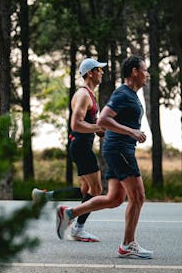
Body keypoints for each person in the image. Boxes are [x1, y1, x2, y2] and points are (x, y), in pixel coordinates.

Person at [55, 55, 153, 259]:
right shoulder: (122, 93)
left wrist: (110, 132)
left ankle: (70, 214)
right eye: (144, 70)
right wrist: (131, 132)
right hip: (118, 149)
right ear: (134, 72)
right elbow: (103, 119)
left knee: (114, 198)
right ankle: (128, 244)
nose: (147, 74)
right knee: (138, 196)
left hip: (116, 147)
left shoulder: (130, 95)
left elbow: (104, 122)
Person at [32, 58, 107, 242]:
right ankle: (77, 228)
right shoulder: (83, 95)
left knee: (85, 190)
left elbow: (85, 122)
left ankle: (46, 197)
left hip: (80, 144)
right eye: (99, 69)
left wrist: (97, 129)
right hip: (81, 146)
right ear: (90, 73)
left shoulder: (89, 94)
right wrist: (97, 128)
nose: (102, 72)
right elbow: (76, 123)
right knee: (97, 190)